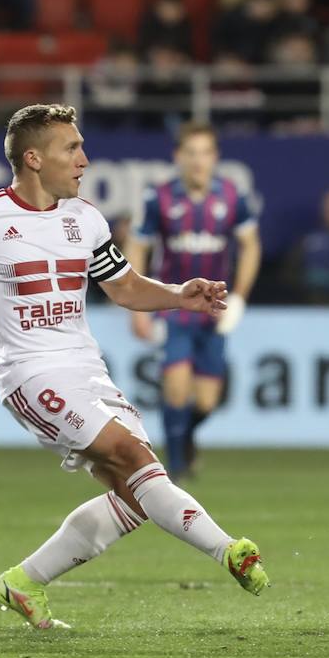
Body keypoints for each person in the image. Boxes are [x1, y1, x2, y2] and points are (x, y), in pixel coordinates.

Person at [0, 104, 268, 629]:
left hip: (87, 369)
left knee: (136, 494)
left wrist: (178, 296)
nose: (84, 159)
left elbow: (122, 286)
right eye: (70, 148)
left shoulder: (86, 219)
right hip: (30, 374)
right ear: (33, 158)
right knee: (132, 458)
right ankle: (228, 550)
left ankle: (24, 582)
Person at [125, 122, 261, 480]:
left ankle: (184, 437)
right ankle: (177, 470)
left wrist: (242, 299)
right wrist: (134, 302)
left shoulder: (233, 197)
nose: (198, 161)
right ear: (178, 157)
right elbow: (137, 246)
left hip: (214, 309)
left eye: (205, 153)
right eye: (191, 153)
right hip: (174, 305)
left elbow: (250, 246)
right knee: (175, 386)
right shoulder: (160, 198)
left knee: (206, 402)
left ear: (215, 158)